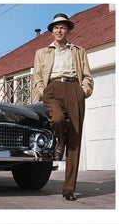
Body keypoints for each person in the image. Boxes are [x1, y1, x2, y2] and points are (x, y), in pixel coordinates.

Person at [30, 12, 95, 201]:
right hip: (52, 88)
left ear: (68, 30)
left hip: (74, 88)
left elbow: (88, 75)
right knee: (57, 118)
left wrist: (83, 91)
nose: (59, 30)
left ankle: (68, 189)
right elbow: (38, 77)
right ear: (52, 31)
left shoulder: (78, 50)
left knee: (75, 138)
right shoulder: (42, 52)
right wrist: (42, 91)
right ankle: (59, 141)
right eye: (56, 27)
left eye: (63, 27)